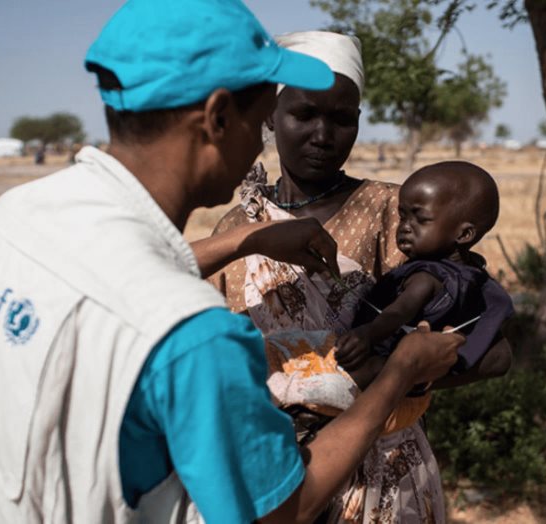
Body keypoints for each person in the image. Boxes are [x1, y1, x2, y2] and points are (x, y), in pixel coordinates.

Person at [0, 2, 463, 523]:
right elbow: (283, 511)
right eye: (263, 115)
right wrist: (395, 378)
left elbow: (118, 276)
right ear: (221, 118)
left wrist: (248, 241)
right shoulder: (192, 333)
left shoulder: (13, 218)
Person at [209, 31, 512, 523]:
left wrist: (383, 383)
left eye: (342, 119)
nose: (324, 135)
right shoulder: (238, 232)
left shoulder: (401, 214)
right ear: (269, 115)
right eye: (304, 114)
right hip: (274, 476)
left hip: (388, 475)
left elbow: (493, 350)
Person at [335, 160, 515, 428]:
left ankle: (315, 409)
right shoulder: (471, 274)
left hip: (390, 368)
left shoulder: (425, 277)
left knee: (353, 375)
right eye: (403, 216)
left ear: (464, 233)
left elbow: (398, 312)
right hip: (419, 391)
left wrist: (367, 334)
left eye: (421, 219)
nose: (405, 227)